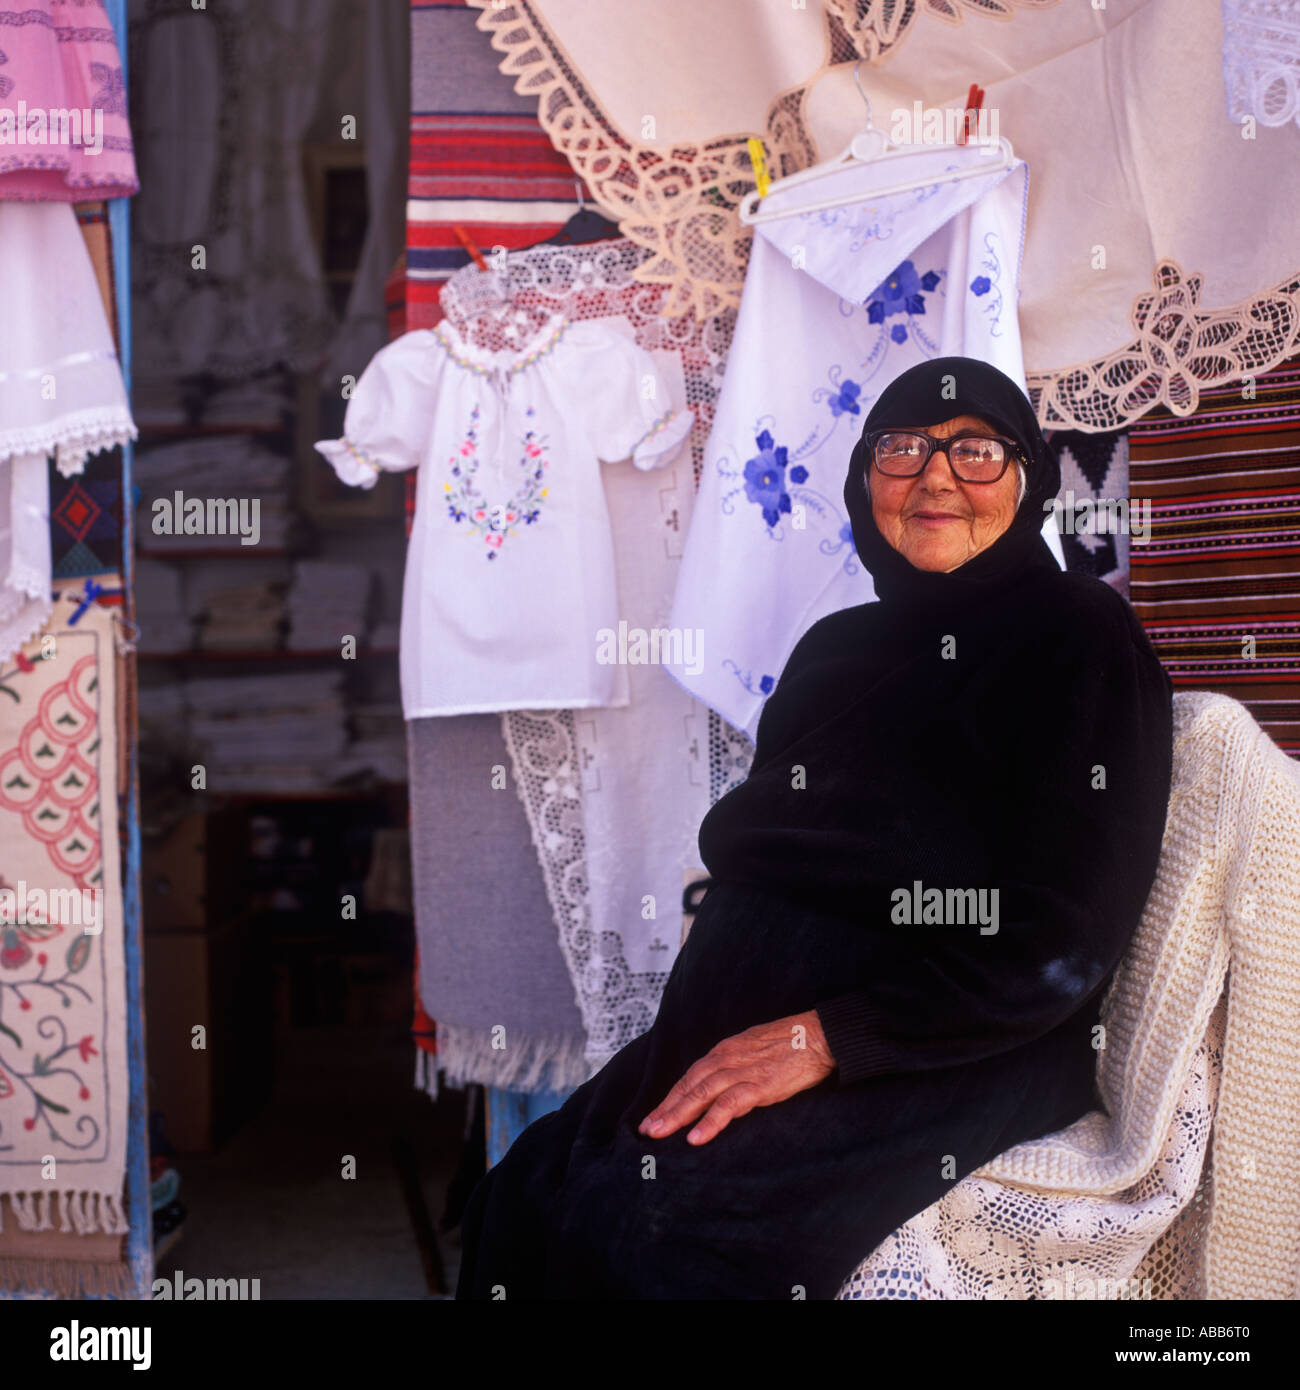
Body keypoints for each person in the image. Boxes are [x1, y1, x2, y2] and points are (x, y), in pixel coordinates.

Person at [454, 356, 1174, 1301]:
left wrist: (828, 1038)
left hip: (949, 1043)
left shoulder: (1077, 634)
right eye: (904, 448)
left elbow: (1066, 938)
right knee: (528, 1192)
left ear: (1031, 479)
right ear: (863, 478)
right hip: (743, 1028)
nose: (936, 477)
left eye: (977, 452)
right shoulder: (835, 649)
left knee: (662, 1230)